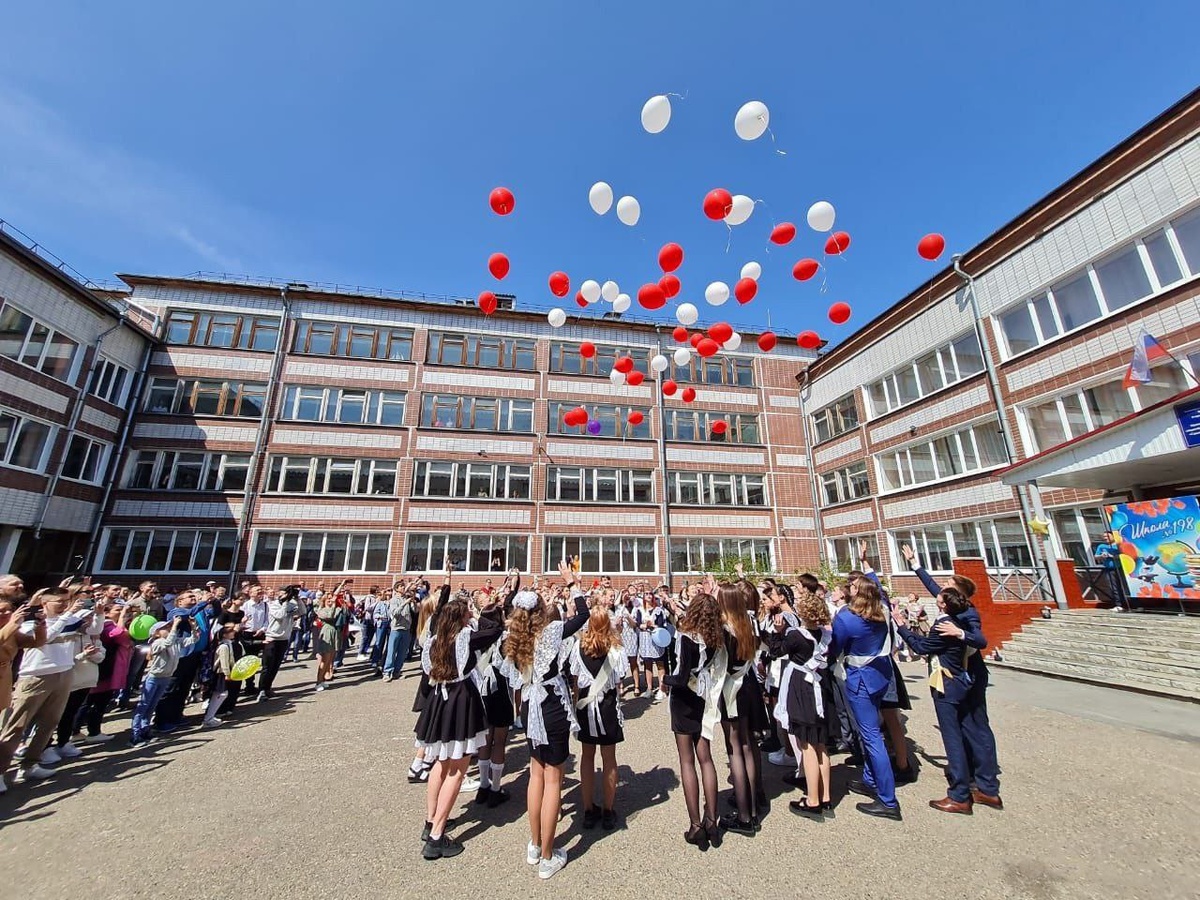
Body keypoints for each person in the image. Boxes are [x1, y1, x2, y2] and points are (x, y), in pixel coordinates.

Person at [501, 562, 589, 880]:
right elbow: (582, 615)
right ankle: (548, 855)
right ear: (540, 611)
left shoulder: (514, 638)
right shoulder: (549, 633)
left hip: (529, 705)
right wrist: (572, 584)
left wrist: (512, 586)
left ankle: (535, 843)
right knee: (553, 779)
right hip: (550, 705)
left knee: (535, 774)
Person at [893, 587, 1003, 813]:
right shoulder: (959, 619)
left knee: (953, 739)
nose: (938, 593)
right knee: (969, 731)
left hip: (947, 684)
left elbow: (921, 646)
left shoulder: (944, 626)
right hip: (961, 681)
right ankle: (986, 787)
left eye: (941, 596)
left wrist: (901, 626)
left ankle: (959, 795)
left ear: (943, 604)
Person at [415, 590, 503, 862]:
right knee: (456, 770)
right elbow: (495, 629)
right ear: (462, 618)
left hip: (439, 702)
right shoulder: (465, 638)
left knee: (440, 764)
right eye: (466, 615)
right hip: (460, 700)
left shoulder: (434, 640)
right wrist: (479, 613)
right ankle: (436, 836)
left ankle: (431, 820)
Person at [830, 579, 902, 820]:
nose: (848, 587)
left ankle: (888, 800)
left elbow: (835, 647)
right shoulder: (882, 611)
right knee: (872, 732)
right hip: (880, 673)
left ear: (857, 593)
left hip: (860, 677)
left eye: (852, 586)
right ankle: (871, 779)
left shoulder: (847, 618)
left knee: (871, 737)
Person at [664, 590, 728, 850]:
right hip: (703, 695)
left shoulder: (686, 637)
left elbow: (680, 677)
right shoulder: (715, 638)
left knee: (687, 760)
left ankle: (695, 825)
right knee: (706, 758)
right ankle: (712, 820)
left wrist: (665, 680)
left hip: (683, 698)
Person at [0, 588, 83, 784]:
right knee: (17, 726)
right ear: (45, 603)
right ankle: (1, 771)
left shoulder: (70, 621)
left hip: (64, 672)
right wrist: (63, 617)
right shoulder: (29, 623)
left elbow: (93, 628)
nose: (64, 605)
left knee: (49, 723)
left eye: (66, 600)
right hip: (35, 677)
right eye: (59, 601)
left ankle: (30, 766)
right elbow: (44, 639)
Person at [776, 590, 835, 820]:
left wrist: (778, 633)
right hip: (820, 685)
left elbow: (777, 651)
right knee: (821, 744)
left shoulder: (796, 635)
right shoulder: (824, 635)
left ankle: (812, 800)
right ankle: (826, 796)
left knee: (807, 744)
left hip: (803, 687)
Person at [570, 605, 627, 831]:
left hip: (585, 706)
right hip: (607, 707)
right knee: (609, 758)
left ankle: (587, 809)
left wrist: (575, 705)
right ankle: (608, 810)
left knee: (587, 756)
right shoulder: (616, 650)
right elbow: (619, 681)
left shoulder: (578, 647)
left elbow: (575, 682)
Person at [716, 579, 762, 836]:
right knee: (746, 747)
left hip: (731, 690)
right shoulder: (748, 622)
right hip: (746, 686)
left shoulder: (724, 629)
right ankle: (752, 809)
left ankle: (744, 816)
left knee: (734, 749)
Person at [475, 571, 520, 808]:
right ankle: (495, 788)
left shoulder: (476, 636)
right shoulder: (505, 639)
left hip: (481, 690)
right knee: (500, 740)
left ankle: (483, 785)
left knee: (485, 738)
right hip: (500, 689)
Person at [131, 617, 198, 745]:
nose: (169, 628)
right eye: (165, 628)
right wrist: (175, 625)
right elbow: (167, 643)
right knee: (143, 706)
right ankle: (135, 734)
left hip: (165, 677)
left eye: (169, 627)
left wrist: (193, 627)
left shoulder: (175, 641)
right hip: (154, 678)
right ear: (156, 633)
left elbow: (193, 640)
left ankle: (145, 730)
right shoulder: (157, 643)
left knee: (152, 706)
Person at [83, 602, 136, 743]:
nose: (121, 612)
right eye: (117, 610)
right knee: (95, 703)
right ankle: (91, 732)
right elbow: (118, 635)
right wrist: (123, 618)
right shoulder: (106, 626)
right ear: (106, 613)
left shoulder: (111, 625)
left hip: (108, 668)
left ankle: (86, 731)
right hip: (104, 668)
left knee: (96, 702)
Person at [258, 586, 299, 700]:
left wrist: (297, 598)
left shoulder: (291, 604)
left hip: (284, 639)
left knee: (276, 666)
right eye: (283, 593)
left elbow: (302, 611)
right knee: (267, 666)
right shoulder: (273, 605)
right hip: (272, 638)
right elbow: (280, 616)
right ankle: (262, 690)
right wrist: (285, 602)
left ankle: (268, 688)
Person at [204, 623, 239, 727]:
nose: (233, 632)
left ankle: (210, 716)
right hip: (220, 673)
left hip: (223, 673)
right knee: (221, 693)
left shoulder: (228, 644)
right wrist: (227, 674)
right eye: (231, 631)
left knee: (220, 694)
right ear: (224, 635)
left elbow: (231, 659)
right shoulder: (223, 646)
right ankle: (208, 718)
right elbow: (224, 663)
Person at [636, 594, 668, 699]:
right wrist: (644, 625)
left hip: (656, 638)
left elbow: (662, 624)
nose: (648, 596)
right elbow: (638, 623)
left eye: (650, 594)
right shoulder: (640, 610)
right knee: (647, 663)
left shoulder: (658, 610)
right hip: (645, 638)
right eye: (646, 594)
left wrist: (653, 625)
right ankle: (649, 688)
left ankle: (662, 688)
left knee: (660, 663)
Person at [313, 594, 340, 691]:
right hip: (326, 633)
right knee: (325, 659)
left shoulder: (335, 608)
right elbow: (329, 616)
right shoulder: (321, 610)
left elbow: (340, 613)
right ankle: (318, 682)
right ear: (324, 600)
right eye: (328, 599)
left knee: (329, 659)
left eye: (331, 598)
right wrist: (333, 605)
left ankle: (323, 680)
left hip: (334, 633)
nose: (330, 600)